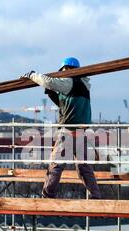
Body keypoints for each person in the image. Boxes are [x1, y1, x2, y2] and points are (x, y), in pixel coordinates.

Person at [21, 57, 101, 199]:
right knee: (84, 168)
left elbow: (49, 81)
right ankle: (96, 196)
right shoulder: (83, 85)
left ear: (67, 69)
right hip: (81, 132)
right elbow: (66, 105)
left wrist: (33, 75)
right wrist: (51, 92)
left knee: (56, 166)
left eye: (63, 70)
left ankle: (47, 196)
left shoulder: (70, 81)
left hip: (69, 132)